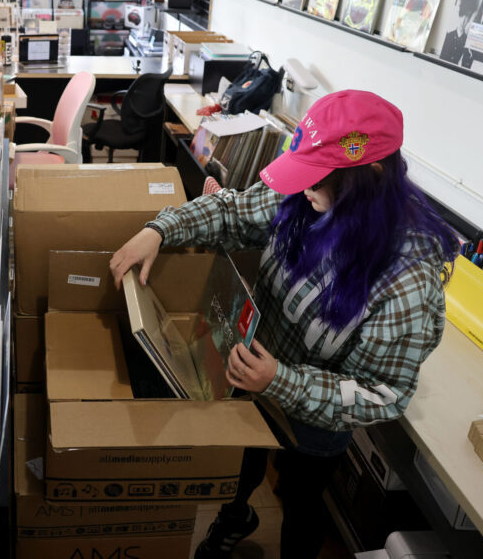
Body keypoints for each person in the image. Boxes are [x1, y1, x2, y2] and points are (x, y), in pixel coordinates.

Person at [110, 90, 458, 559]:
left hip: (312, 413)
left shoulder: (405, 282)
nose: (304, 190)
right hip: (252, 375)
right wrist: (161, 229)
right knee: (242, 465)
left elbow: (383, 393)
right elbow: (232, 210)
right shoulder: (304, 193)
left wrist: (283, 382)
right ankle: (236, 515)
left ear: (369, 178)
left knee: (300, 499)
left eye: (317, 183)